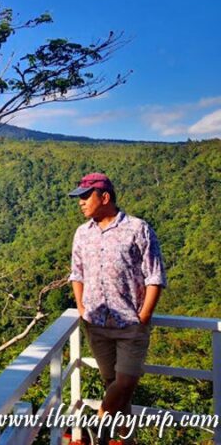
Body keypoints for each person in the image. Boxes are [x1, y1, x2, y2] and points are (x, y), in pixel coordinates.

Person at [68, 173, 167, 444]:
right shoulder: (82, 233)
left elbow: (155, 275)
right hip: (96, 324)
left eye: (85, 197)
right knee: (115, 386)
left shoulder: (137, 229)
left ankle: (100, 423)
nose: (80, 202)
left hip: (130, 324)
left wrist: (144, 316)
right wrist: (81, 307)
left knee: (125, 382)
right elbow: (77, 273)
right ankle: (125, 440)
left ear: (105, 197)